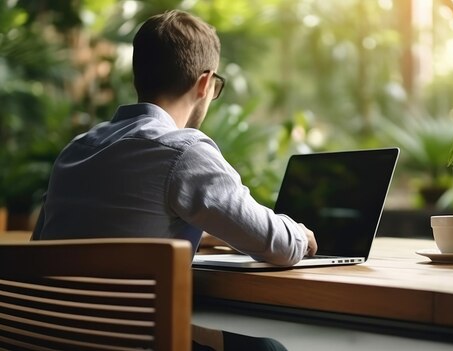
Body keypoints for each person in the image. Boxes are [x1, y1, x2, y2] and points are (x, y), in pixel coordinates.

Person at [31, 9, 317, 351]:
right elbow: (281, 247)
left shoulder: (77, 150)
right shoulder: (184, 151)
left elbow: (48, 246)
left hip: (52, 337)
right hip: (130, 340)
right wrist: (300, 233)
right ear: (204, 83)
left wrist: (210, 232)